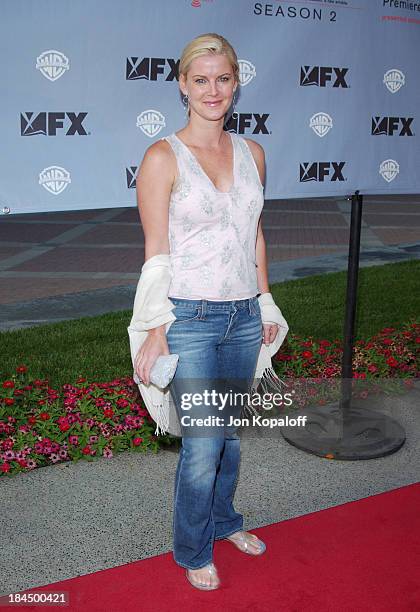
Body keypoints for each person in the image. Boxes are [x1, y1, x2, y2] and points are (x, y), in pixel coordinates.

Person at [133, 33, 284, 591]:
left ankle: (225, 522)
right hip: (188, 318)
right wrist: (155, 328)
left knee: (232, 436)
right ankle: (193, 549)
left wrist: (265, 299)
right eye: (201, 80)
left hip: (244, 315)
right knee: (203, 445)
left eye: (223, 79)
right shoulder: (161, 157)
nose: (212, 90)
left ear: (235, 84)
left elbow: (254, 233)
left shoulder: (253, 153)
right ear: (182, 85)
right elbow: (155, 250)